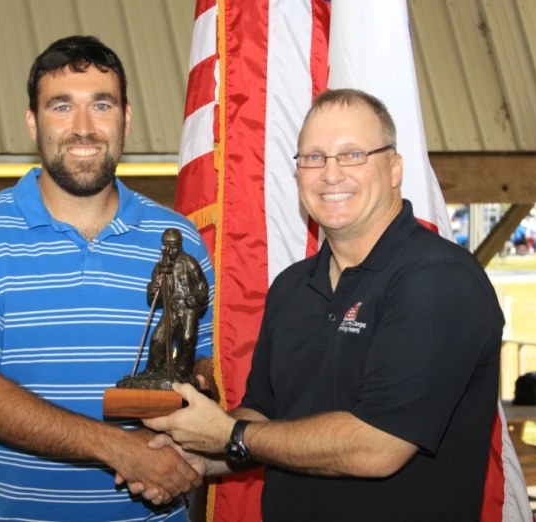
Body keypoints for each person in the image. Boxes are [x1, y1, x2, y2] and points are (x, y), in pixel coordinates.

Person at [139, 89, 504, 521]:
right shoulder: (292, 287)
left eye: (352, 155)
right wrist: (199, 452)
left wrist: (229, 434)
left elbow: (377, 447)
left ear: (394, 169)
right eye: (313, 158)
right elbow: (267, 416)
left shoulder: (439, 280)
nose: (331, 174)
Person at [0, 35, 214, 521]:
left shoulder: (180, 236)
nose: (83, 128)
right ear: (33, 123)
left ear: (126, 118)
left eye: (101, 104)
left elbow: (204, 364)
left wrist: (180, 432)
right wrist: (122, 451)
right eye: (62, 106)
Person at [140, 228, 210, 381]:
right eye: (167, 246)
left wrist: (197, 297)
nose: (170, 250)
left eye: (174, 245)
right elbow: (156, 299)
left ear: (180, 245)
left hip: (187, 309)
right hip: (171, 309)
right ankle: (154, 370)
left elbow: (202, 286)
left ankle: (182, 372)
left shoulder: (189, 262)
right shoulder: (160, 268)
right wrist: (152, 291)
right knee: (158, 338)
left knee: (187, 338)